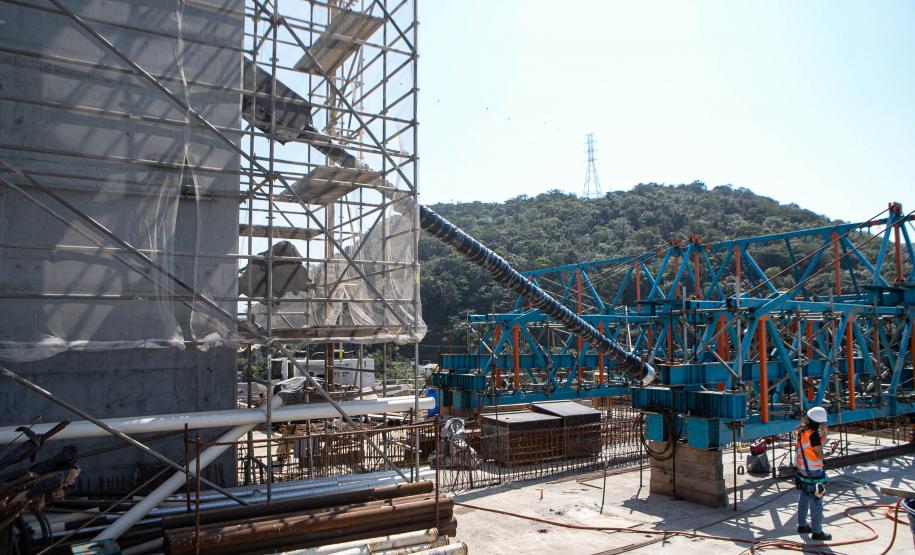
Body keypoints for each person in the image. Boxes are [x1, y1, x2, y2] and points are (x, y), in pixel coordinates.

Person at [795, 406, 837, 540]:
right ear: (819, 422)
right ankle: (817, 532)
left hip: (802, 470)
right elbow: (818, 455)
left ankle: (802, 525)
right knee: (817, 500)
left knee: (804, 496)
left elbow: (811, 446)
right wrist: (831, 452)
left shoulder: (802, 432)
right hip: (814, 472)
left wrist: (824, 434)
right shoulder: (813, 434)